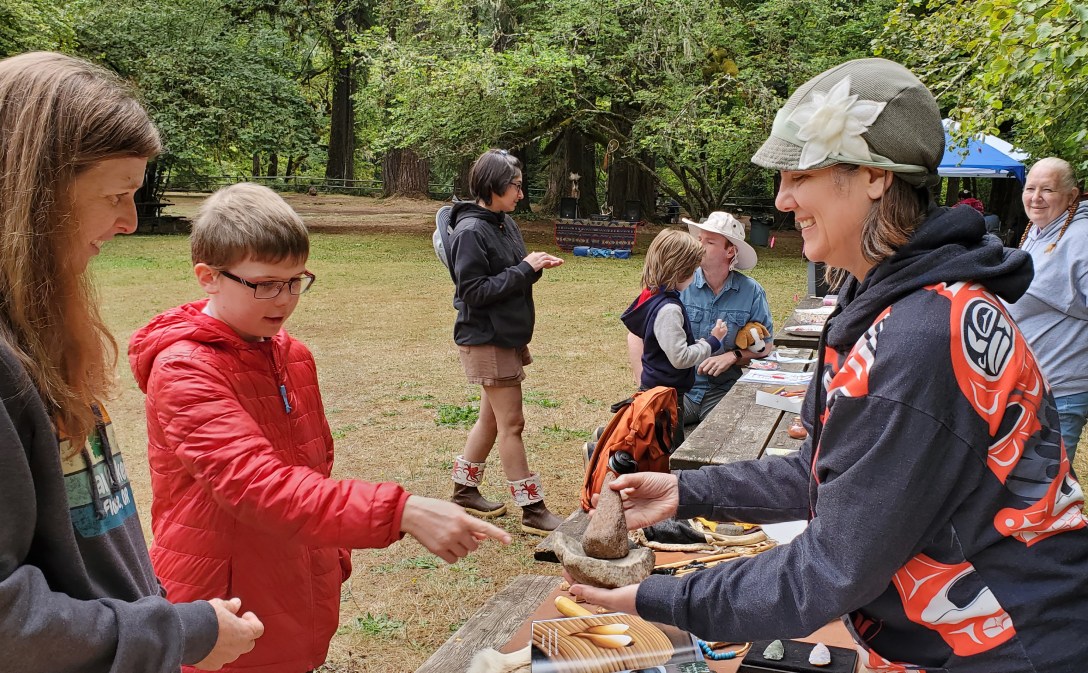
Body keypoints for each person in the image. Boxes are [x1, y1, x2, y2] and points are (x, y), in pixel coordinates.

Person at [571, 58, 1088, 673]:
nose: (784, 199)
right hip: (946, 636)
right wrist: (683, 491)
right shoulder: (891, 301)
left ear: (873, 176)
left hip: (1006, 649)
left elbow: (830, 568)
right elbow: (828, 473)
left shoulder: (922, 336)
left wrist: (659, 597)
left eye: (800, 174)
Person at [128, 183, 511, 673]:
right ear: (208, 277)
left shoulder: (294, 355)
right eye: (265, 283)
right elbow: (256, 485)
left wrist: (330, 561)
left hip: (295, 583)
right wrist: (402, 512)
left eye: (295, 281)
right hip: (223, 605)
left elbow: (314, 465)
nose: (284, 299)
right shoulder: (184, 368)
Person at [0, 51, 262, 672]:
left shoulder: (34, 332)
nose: (128, 221)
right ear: (29, 196)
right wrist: (176, 631)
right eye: (117, 195)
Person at [446, 149, 566, 535]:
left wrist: (532, 267)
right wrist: (524, 269)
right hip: (487, 338)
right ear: (493, 186)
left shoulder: (502, 223)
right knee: (511, 423)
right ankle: (533, 510)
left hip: (505, 334)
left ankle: (464, 490)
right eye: (516, 185)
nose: (520, 193)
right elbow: (474, 291)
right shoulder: (470, 232)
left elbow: (512, 273)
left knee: (491, 418)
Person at [627, 211, 773, 430]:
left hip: (723, 392)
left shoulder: (751, 291)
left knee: (728, 440)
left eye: (709, 241)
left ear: (730, 251)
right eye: (699, 239)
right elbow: (637, 335)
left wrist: (732, 356)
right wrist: (645, 389)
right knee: (643, 433)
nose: (698, 246)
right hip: (678, 392)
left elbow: (766, 347)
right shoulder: (676, 282)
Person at [1005, 157, 1088, 457]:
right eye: (1030, 188)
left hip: (1061, 391)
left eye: (1048, 190)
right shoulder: (1040, 233)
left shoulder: (1081, 238)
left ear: (1072, 196)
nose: (1036, 198)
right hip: (1032, 386)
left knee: (1051, 484)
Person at [620, 228, 729, 446]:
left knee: (649, 441)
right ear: (681, 270)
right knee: (668, 450)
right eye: (693, 269)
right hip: (665, 397)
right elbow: (680, 357)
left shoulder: (653, 295)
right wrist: (712, 341)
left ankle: (608, 441)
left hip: (659, 392)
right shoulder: (669, 309)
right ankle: (603, 448)